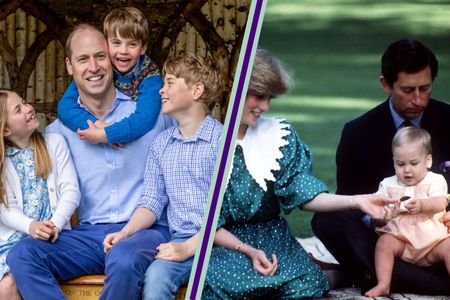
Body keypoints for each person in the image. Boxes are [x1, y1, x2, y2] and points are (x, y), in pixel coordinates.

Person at [202, 48, 396, 299]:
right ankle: (316, 265)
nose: (265, 106)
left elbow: (303, 192)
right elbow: (206, 222)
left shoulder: (278, 136)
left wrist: (356, 200)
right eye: (259, 96)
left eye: (270, 97)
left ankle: (329, 270)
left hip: (272, 237)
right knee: (220, 288)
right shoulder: (204, 140)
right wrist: (248, 251)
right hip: (221, 242)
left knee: (306, 286)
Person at [6, 24, 175, 300]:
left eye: (100, 56)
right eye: (83, 59)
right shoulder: (58, 133)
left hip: (146, 231)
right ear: (69, 66)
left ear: (111, 59)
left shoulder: (150, 115)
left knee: (123, 257)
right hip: (89, 237)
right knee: (23, 254)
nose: (93, 67)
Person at [312, 39, 450, 294]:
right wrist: (376, 219)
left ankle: (368, 274)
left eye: (425, 88)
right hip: (388, 238)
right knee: (327, 219)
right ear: (386, 84)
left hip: (442, 236)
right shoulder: (357, 132)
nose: (418, 99)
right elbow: (350, 200)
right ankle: (406, 278)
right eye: (408, 90)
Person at [103, 53, 224, 300]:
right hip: (178, 240)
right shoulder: (161, 145)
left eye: (170, 83)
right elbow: (152, 201)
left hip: (221, 241)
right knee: (156, 278)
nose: (161, 91)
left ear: (196, 90)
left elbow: (228, 210)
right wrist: (124, 233)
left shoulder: (221, 142)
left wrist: (190, 247)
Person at [0, 90, 80, 300]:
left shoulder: (54, 143)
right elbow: (6, 208)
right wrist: (31, 227)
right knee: (6, 287)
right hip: (13, 241)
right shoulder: (3, 162)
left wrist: (54, 224)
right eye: (18, 109)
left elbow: (71, 191)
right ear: (6, 129)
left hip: (55, 237)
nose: (28, 108)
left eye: (25, 102)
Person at [57, 7, 162, 145]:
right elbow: (65, 108)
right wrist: (98, 126)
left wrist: (108, 134)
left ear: (143, 48)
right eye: (116, 43)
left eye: (132, 44)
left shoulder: (151, 77)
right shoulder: (102, 68)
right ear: (106, 44)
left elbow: (145, 119)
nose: (123, 51)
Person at [365, 127, 450, 297]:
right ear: (394, 161)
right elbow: (376, 206)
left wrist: (423, 205)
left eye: (413, 163)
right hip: (401, 240)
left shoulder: (435, 180)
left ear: (428, 161)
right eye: (400, 164)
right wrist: (384, 215)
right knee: (384, 243)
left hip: (433, 242)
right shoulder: (388, 184)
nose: (407, 170)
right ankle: (383, 284)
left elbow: (440, 202)